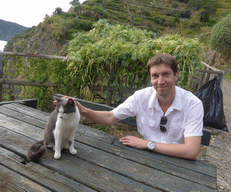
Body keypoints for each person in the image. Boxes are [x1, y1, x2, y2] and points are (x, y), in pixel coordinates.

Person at [60, 53, 204, 160]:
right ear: (151, 78)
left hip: (177, 161)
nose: (160, 81)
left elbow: (191, 151)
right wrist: (82, 109)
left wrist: (147, 144)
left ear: (176, 75)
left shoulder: (192, 104)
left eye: (166, 74)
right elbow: (111, 117)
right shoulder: (141, 97)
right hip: (145, 157)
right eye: (155, 76)